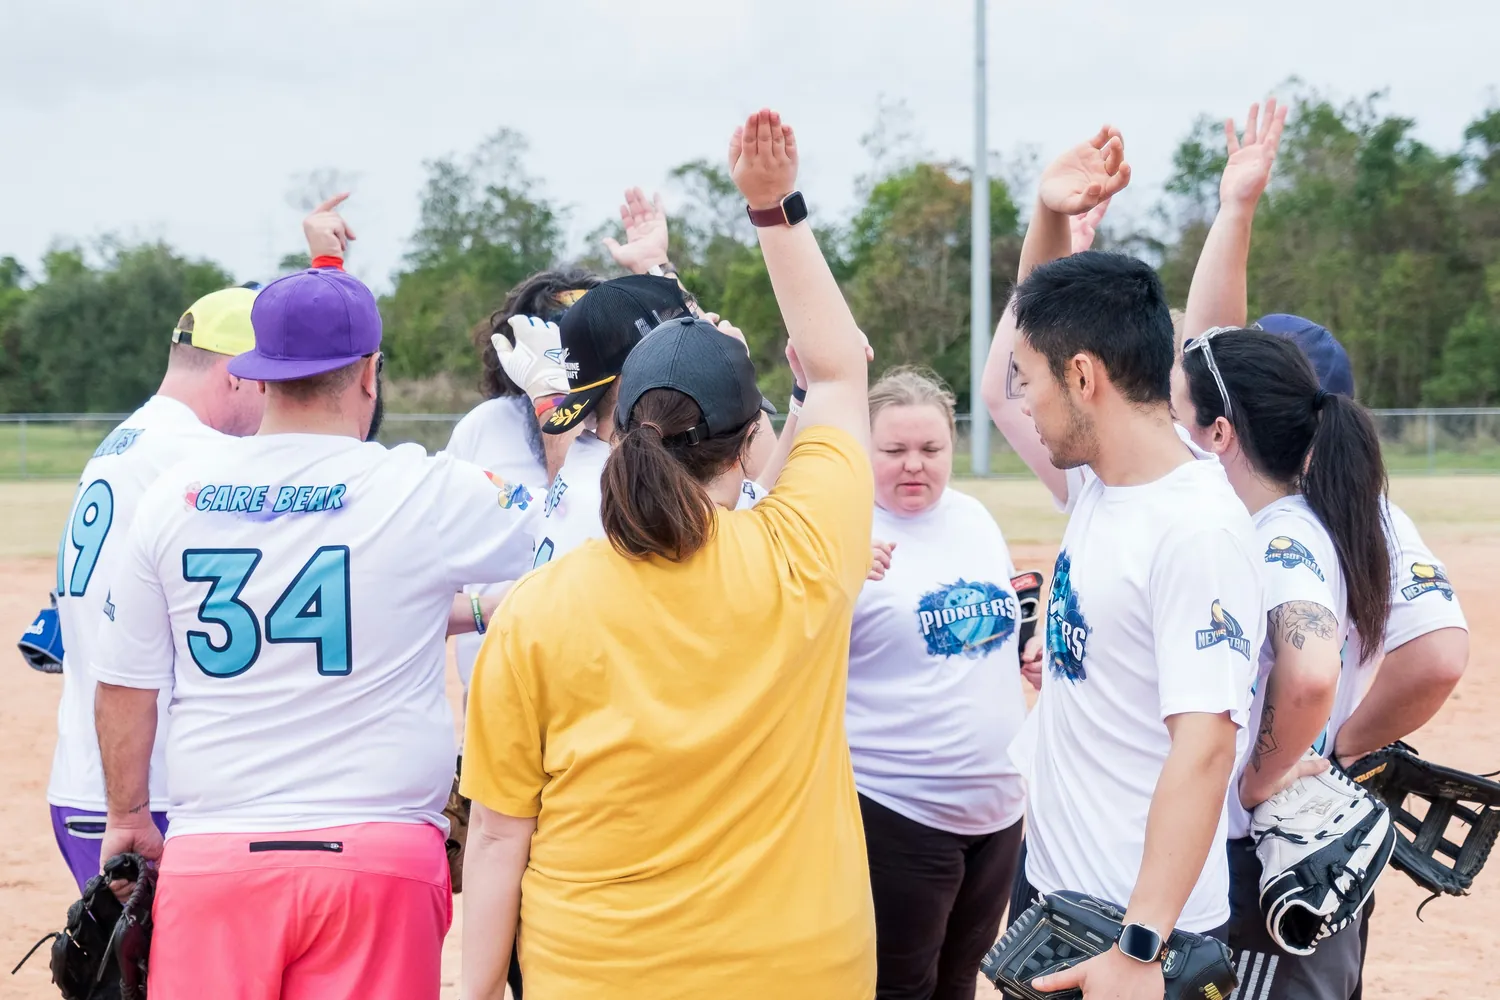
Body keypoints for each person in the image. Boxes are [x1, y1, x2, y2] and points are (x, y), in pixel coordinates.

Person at [458, 108, 877, 1000]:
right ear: (752, 435)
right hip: (803, 970)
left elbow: (497, 837)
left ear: (619, 424)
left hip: (599, 971)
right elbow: (841, 369)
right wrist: (774, 208)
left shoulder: (537, 609)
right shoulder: (808, 551)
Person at [92, 202, 541, 998]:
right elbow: (556, 529)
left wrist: (128, 817)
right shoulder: (419, 488)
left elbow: (126, 683)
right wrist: (556, 412)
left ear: (255, 371)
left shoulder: (172, 496)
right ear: (370, 374)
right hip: (377, 860)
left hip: (217, 853)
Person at [1175, 99, 1468, 999]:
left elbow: (1349, 670)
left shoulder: (1268, 520)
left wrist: (1311, 751)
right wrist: (1342, 754)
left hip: (1252, 838)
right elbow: (1440, 651)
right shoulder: (1361, 504)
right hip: (1310, 829)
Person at [980, 127, 1263, 999]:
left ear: (1085, 377)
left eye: (1034, 380)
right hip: (1060, 890)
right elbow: (1025, 349)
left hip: (1136, 925)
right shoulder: (1105, 480)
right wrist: (1046, 215)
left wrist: (1140, 948)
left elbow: (1206, 748)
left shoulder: (1194, 529)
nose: (1019, 398)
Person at [1181, 325, 1390, 1000]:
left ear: (1220, 433)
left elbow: (1310, 670)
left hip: (1261, 852)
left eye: (1178, 414)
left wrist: (1255, 781)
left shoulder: (1278, 537)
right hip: (1280, 849)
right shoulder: (1304, 514)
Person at [44, 281, 265, 892]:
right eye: (271, 382)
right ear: (236, 377)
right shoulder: (197, 456)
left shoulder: (130, 439)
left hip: (96, 780)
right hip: (148, 793)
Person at [848, 365, 1030, 1000]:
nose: (914, 466)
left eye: (931, 449)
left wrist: (1022, 654)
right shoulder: (842, 533)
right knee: (899, 986)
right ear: (862, 448)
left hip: (1000, 810)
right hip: (897, 808)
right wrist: (837, 575)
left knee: (960, 981)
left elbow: (995, 624)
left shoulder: (973, 517)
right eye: (893, 451)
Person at [525, 272, 779, 567]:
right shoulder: (644, 493)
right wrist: (733, 383)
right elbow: (782, 529)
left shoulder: (595, 464)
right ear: (637, 372)